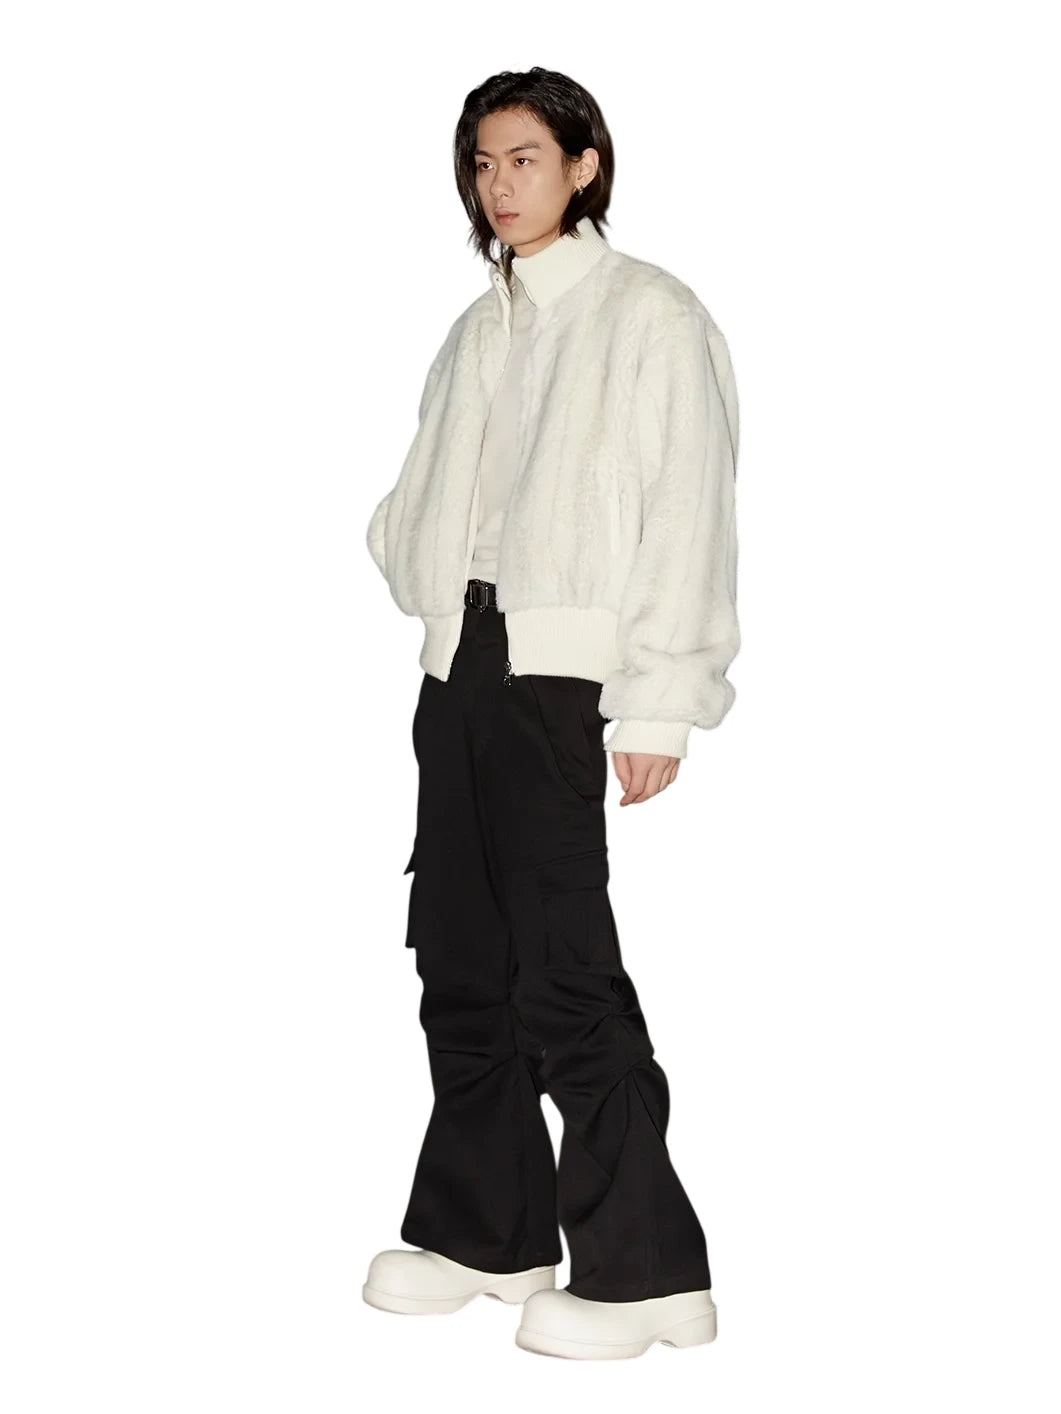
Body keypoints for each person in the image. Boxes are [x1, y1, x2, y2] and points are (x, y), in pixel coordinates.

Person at [361, 66, 740, 1361]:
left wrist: (660, 701)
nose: (498, 184)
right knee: (459, 954)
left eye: (524, 158)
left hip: (564, 678)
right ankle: (489, 1232)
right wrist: (415, 562)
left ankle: (648, 1273)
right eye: (481, 163)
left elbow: (688, 513)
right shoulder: (481, 327)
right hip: (459, 666)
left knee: (563, 968)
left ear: (584, 166)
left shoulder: (648, 316)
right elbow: (423, 496)